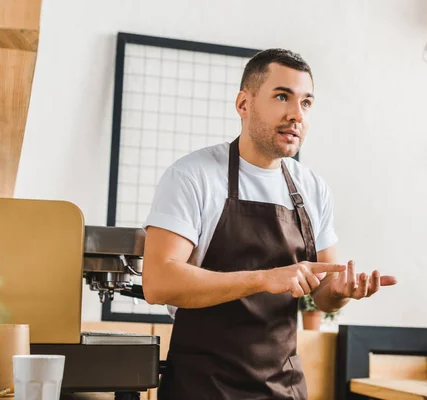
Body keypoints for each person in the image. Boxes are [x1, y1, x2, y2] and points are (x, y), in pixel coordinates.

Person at [142, 48, 397, 400]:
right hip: (203, 387)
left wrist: (338, 293)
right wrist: (265, 278)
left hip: (282, 388)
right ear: (243, 104)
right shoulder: (193, 176)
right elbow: (158, 282)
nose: (297, 115)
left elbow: (323, 293)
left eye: (306, 103)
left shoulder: (312, 189)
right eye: (282, 97)